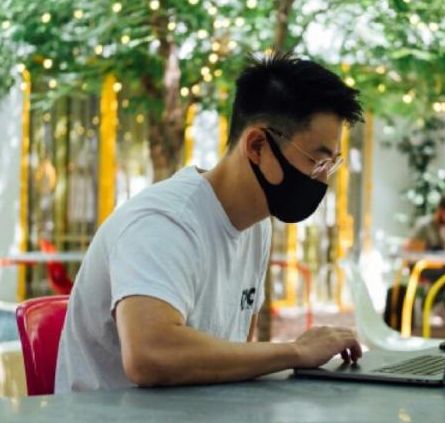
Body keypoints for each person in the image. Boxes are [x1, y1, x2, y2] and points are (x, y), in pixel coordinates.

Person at [55, 53, 365, 392]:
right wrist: (295, 352)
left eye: (330, 165)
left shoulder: (257, 226)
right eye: (315, 161)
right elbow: (149, 355)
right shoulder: (165, 223)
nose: (321, 180)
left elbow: (236, 353)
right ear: (258, 145)